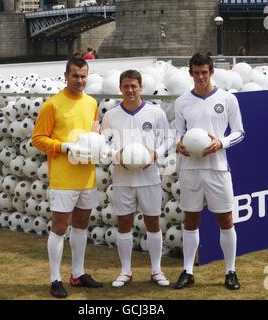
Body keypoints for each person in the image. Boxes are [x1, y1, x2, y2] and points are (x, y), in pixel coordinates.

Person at [31, 56, 103, 298]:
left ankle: (78, 273)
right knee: (60, 227)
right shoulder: (52, 105)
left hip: (87, 176)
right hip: (63, 178)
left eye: (84, 76)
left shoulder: (92, 102)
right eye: (75, 75)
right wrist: (64, 148)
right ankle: (54, 279)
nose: (80, 80)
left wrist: (101, 147)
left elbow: (94, 135)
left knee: (82, 226)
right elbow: (38, 138)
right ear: (65, 76)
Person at [173, 53, 245, 290]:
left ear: (211, 71)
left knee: (225, 219)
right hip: (190, 169)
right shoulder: (182, 101)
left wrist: (221, 143)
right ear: (190, 73)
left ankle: (230, 271)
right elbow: (177, 133)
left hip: (217, 168)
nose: (201, 77)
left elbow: (239, 132)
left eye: (205, 72)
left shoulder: (227, 99)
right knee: (191, 219)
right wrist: (179, 144)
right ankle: (187, 271)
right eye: (196, 72)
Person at [100, 70, 174, 288]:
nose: (130, 90)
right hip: (122, 178)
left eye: (134, 86)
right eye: (126, 87)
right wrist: (116, 156)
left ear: (141, 87)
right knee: (124, 223)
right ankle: (125, 271)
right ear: (120, 88)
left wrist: (155, 154)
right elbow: (103, 145)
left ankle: (156, 270)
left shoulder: (155, 112)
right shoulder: (111, 115)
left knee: (152, 222)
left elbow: (168, 138)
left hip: (149, 177)